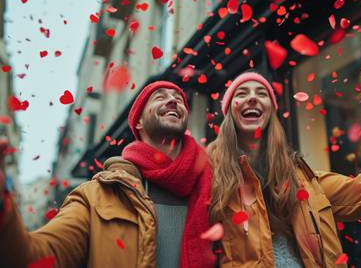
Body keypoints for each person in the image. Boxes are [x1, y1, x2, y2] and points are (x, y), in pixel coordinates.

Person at [206, 71, 361, 268]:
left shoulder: (303, 180)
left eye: (262, 94)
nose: (252, 98)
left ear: (271, 112)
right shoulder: (209, 174)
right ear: (229, 111)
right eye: (242, 93)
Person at [0, 81, 215, 268]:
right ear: (138, 122)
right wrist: (3, 207)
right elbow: (40, 257)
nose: (173, 101)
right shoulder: (95, 197)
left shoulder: (215, 189)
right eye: (160, 97)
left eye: (178, 98)